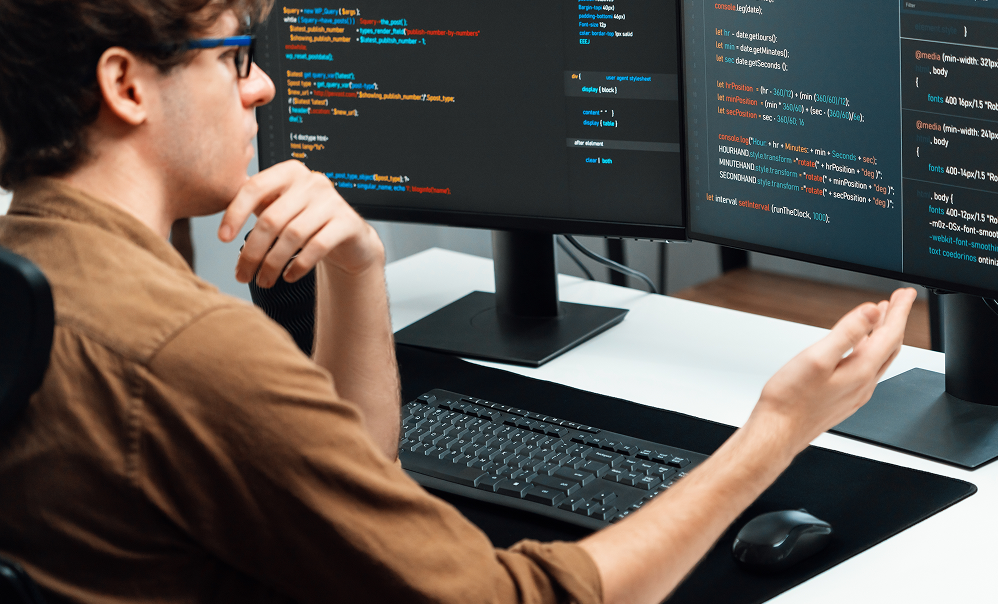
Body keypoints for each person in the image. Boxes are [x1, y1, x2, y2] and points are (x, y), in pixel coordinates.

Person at [0, 0, 917, 602]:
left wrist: (358, 267)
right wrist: (779, 432)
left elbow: (342, 484)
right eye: (235, 57)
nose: (264, 86)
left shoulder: (35, 275)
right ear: (125, 85)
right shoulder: (189, 352)